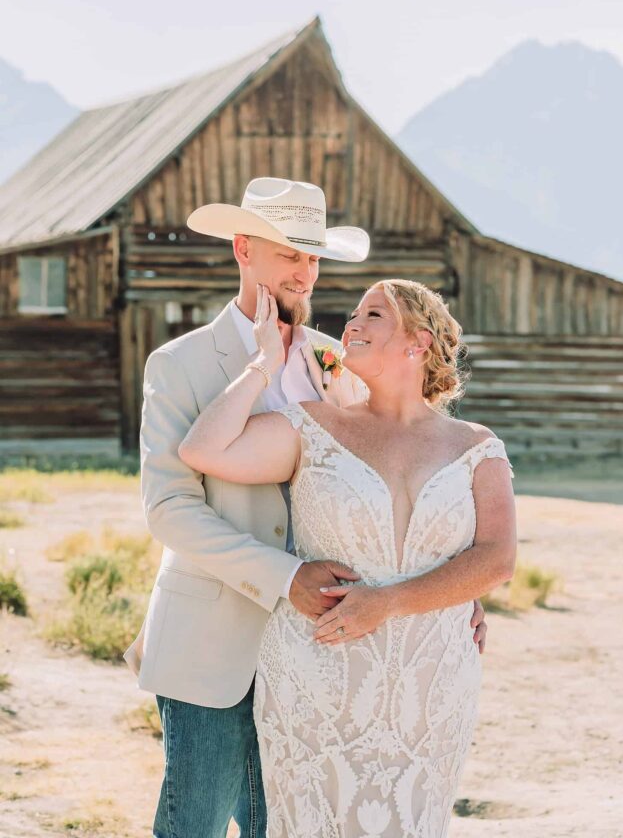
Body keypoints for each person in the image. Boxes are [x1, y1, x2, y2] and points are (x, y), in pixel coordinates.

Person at [124, 176, 490, 838]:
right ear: (243, 249)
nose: (305, 271)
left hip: (322, 654)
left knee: (290, 825)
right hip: (214, 640)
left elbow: (384, 477)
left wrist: (451, 585)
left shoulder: (338, 361)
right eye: (289, 252)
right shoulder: (178, 364)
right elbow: (169, 511)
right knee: (193, 826)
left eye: (314, 255)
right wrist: (282, 575)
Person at [180, 276, 517, 838]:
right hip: (319, 677)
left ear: (420, 342)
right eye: (354, 315)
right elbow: (203, 450)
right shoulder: (313, 426)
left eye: (374, 315)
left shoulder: (476, 446)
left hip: (431, 686)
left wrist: (388, 603)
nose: (351, 325)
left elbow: (497, 559)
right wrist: (264, 362)